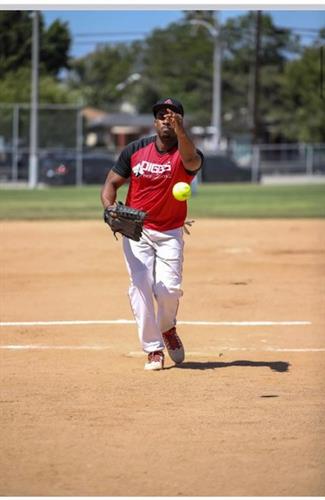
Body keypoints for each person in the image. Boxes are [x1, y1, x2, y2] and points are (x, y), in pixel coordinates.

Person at [101, 98, 204, 371]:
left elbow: (193, 161)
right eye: (161, 115)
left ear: (181, 120)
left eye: (172, 116)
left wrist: (181, 131)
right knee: (140, 285)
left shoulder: (186, 153)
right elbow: (110, 184)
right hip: (137, 231)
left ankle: (167, 328)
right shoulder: (135, 150)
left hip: (170, 231)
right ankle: (153, 349)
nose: (166, 120)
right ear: (154, 122)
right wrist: (110, 210)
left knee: (167, 289)